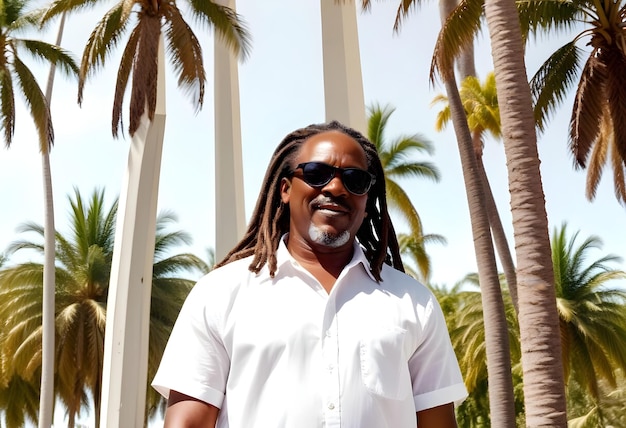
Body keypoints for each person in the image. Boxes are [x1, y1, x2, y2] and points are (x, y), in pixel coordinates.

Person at [152, 121, 468, 427]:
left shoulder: (413, 303)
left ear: (367, 198)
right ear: (286, 189)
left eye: (355, 180)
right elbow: (188, 423)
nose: (335, 187)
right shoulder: (220, 293)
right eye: (317, 174)